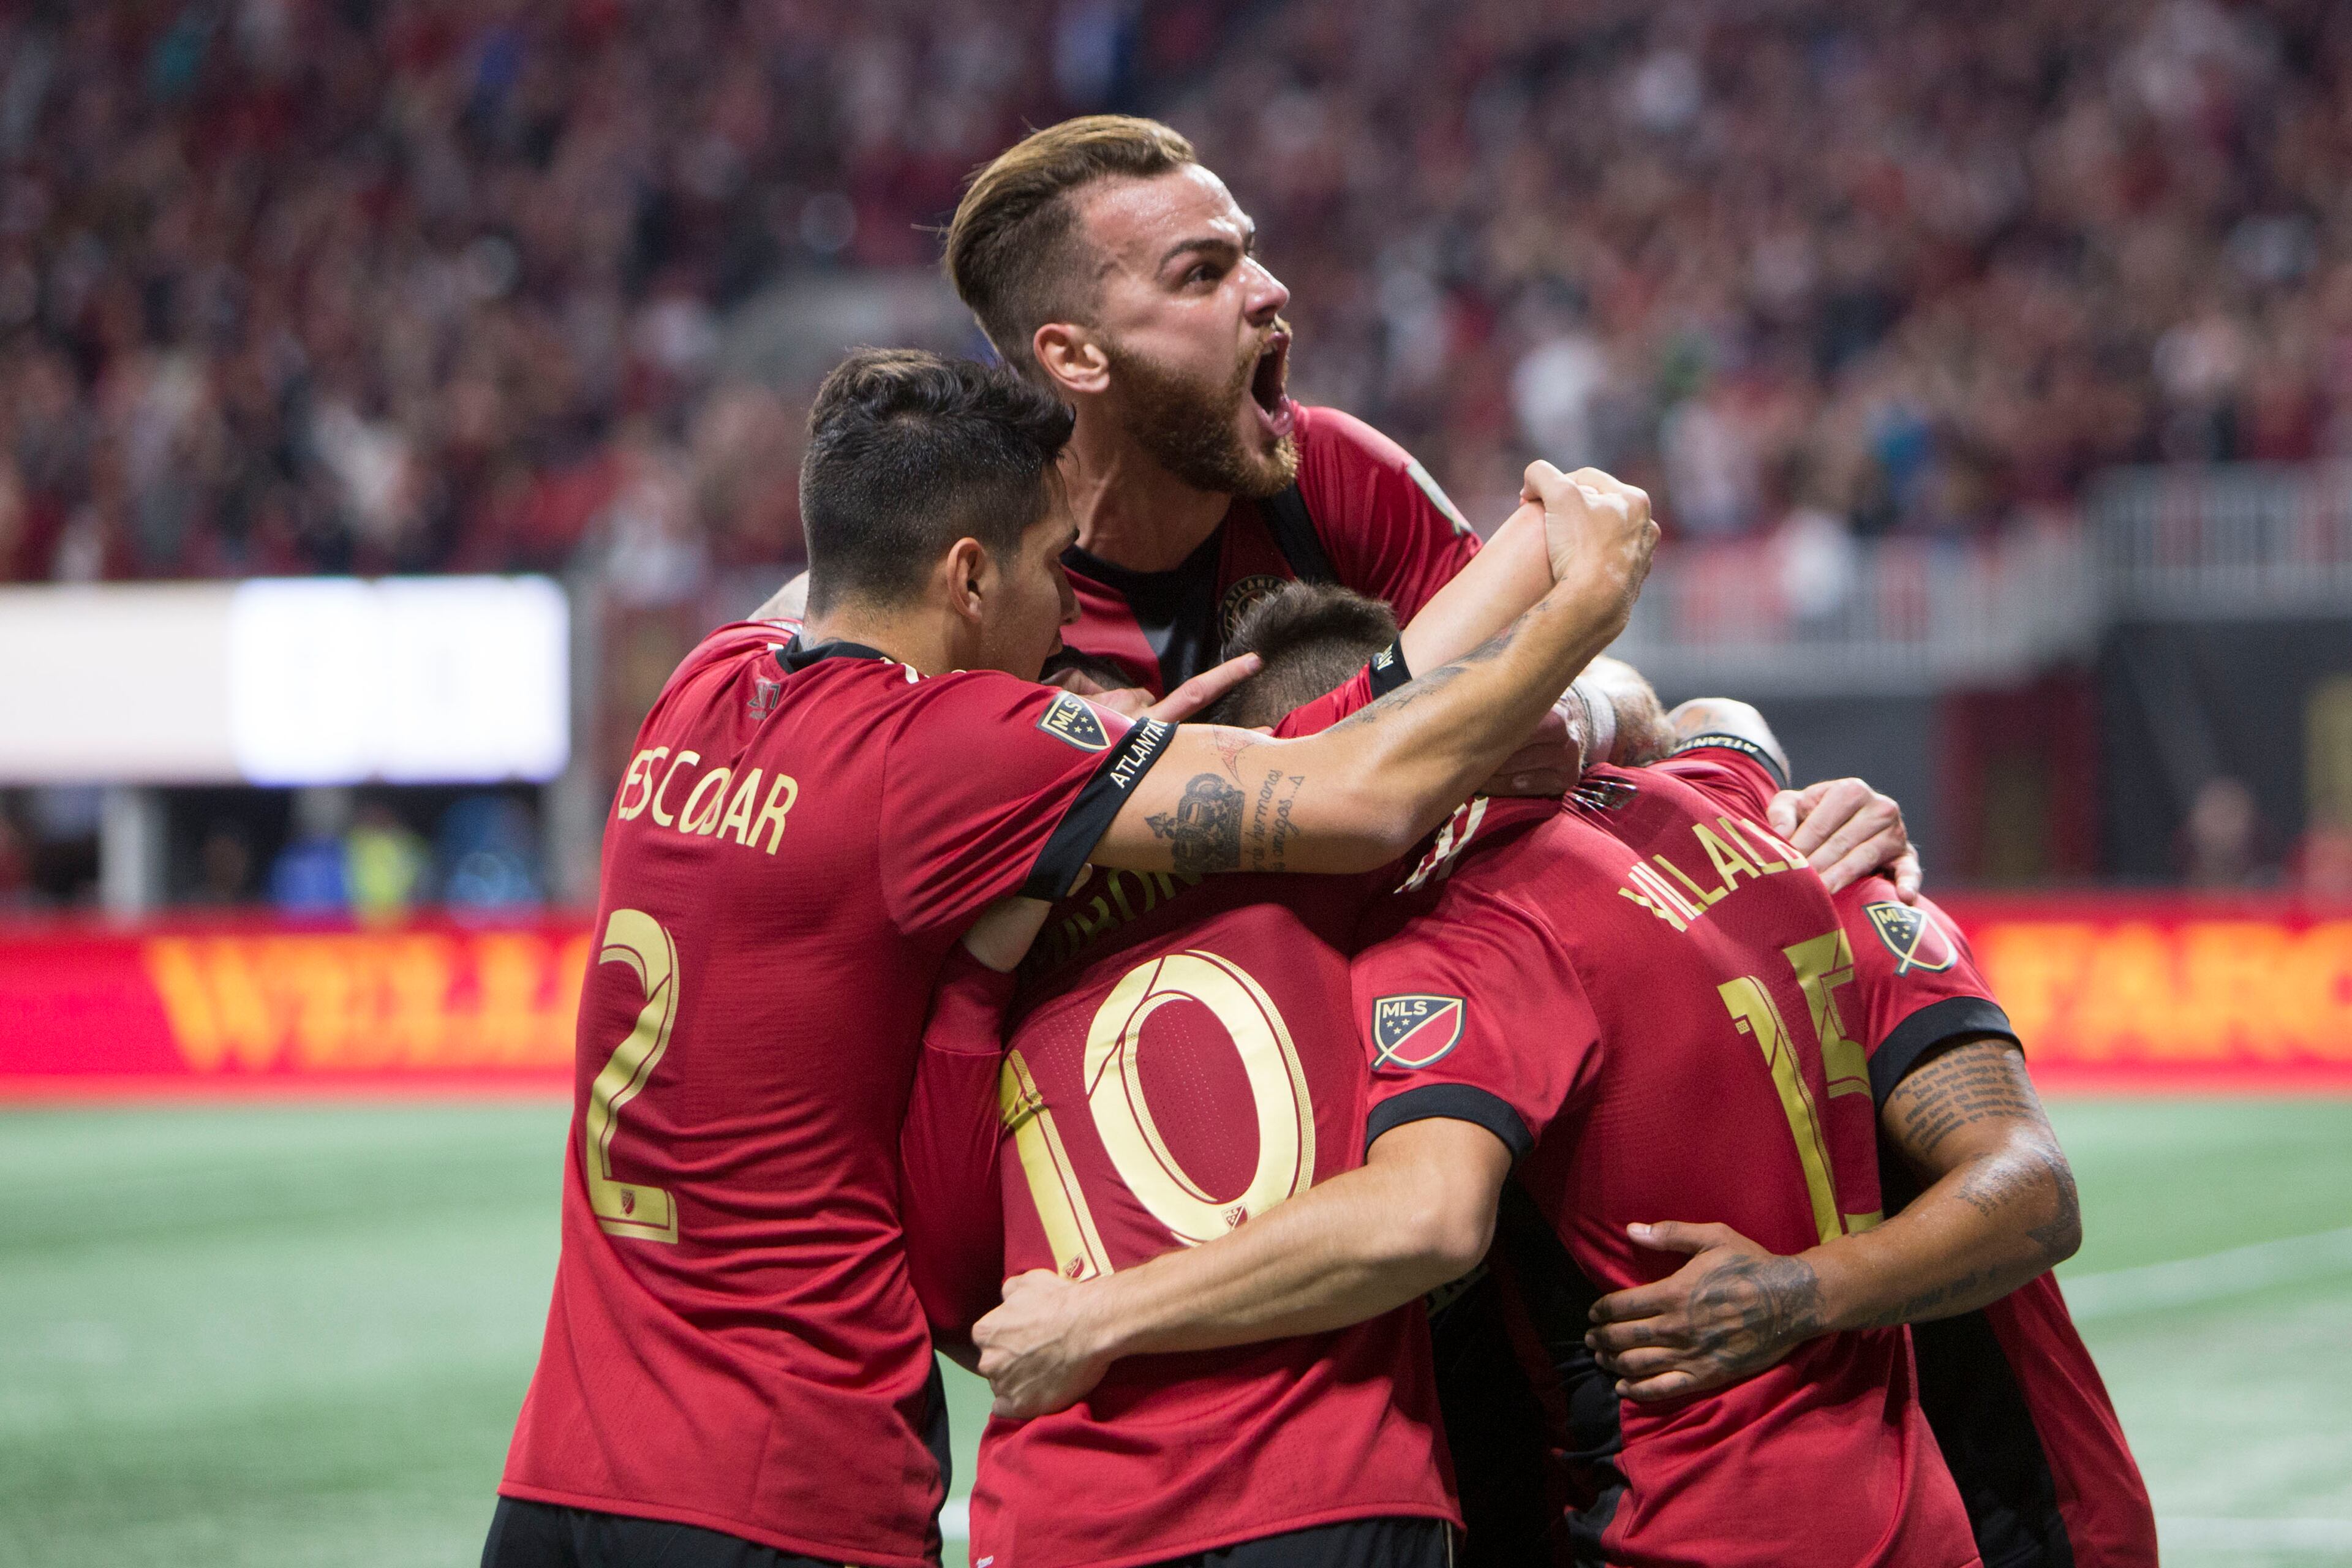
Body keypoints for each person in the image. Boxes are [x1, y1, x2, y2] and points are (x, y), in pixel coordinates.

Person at [484, 349, 1658, 1568]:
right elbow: (1353, 790)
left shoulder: (700, 686)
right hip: (786, 1476)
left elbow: (852, 549)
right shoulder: (943, 751)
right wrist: (1579, 609)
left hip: (562, 1470)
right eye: (1053, 565)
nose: (1066, 608)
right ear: (970, 577)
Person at [967, 626, 1992, 1566]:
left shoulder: (1465, 938)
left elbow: (1427, 1215)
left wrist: (1099, 1316)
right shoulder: (1723, 804)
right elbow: (1726, 725)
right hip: (1912, 1504)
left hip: (1700, 1518)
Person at [763, 116, 1921, 907]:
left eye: (1251, 256)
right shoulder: (971, 571)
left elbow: (1600, 704)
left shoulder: (1334, 477)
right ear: (1075, 355)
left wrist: (1686, 746)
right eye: (1201, 275)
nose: (1269, 293)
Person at [902, 494, 1602, 1568]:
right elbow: (1409, 694)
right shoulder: (1308, 850)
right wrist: (1595, 581)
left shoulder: (960, 991)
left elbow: (964, 1304)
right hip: (1326, 1492)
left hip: (1065, 1516)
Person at [1580, 704, 2157, 1568]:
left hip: (2008, 1502)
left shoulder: (1835, 890)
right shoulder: (1503, 943)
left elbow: (2034, 1188)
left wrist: (1791, 1296)